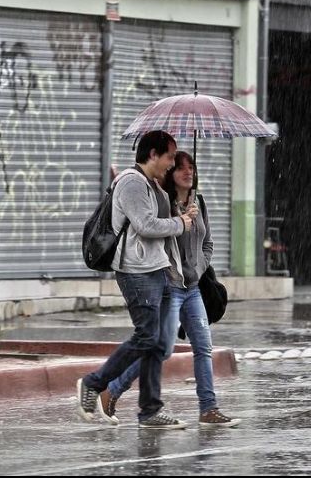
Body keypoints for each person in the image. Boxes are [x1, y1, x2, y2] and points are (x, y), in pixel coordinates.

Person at [97, 151, 240, 428]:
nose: (188, 173)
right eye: (181, 168)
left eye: (192, 168)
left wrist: (198, 266)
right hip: (170, 286)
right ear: (171, 173)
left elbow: (207, 242)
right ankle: (112, 389)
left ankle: (208, 409)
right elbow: (155, 237)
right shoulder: (163, 202)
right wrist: (180, 221)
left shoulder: (198, 201)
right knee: (160, 349)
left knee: (203, 347)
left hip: (194, 287)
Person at [76, 130, 197, 430]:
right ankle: (93, 383)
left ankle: (150, 411)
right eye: (170, 156)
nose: (172, 163)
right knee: (146, 337)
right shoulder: (131, 182)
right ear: (153, 154)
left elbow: (156, 221)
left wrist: (182, 213)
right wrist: (179, 223)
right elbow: (145, 225)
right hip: (136, 272)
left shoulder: (150, 183)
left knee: (156, 344)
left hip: (158, 269)